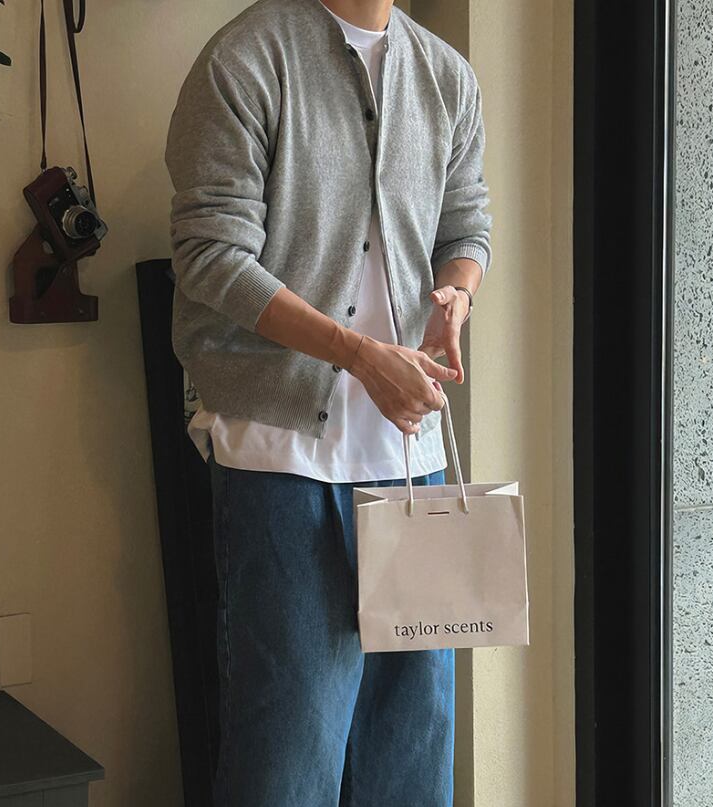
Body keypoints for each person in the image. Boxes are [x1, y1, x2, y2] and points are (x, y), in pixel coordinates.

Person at [164, 0, 493, 803]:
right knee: (286, 761)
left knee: (410, 757)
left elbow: (466, 223)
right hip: (280, 459)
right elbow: (210, 254)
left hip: (410, 466)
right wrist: (355, 354)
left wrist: (455, 292)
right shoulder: (246, 58)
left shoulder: (445, 76)